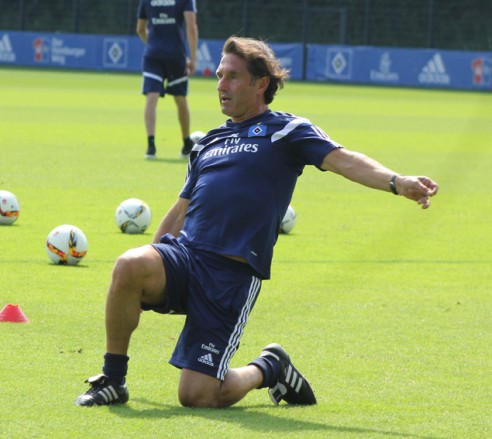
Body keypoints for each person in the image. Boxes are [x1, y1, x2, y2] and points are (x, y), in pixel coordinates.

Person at [75, 36, 439, 408]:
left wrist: (397, 182)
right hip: (186, 259)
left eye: (232, 76)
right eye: (219, 76)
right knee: (129, 265)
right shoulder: (207, 142)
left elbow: (344, 160)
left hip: (229, 277)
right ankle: (114, 380)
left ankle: (269, 367)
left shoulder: (287, 130)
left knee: (197, 396)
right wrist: (153, 256)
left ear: (260, 83)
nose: (220, 85)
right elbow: (182, 206)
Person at [136, 0, 198, 160]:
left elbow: (140, 29)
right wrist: (193, 59)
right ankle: (186, 144)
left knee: (152, 97)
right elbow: (191, 28)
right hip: (175, 55)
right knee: (180, 100)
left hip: (153, 55)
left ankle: (151, 146)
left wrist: (152, 44)